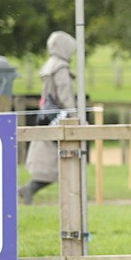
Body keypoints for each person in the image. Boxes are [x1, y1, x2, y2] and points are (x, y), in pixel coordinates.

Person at [19, 31, 77, 205]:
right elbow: (65, 94)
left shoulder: (50, 65)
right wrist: (74, 115)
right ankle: (30, 190)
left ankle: (29, 190)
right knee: (56, 162)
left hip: (49, 117)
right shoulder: (60, 68)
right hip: (59, 118)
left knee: (51, 162)